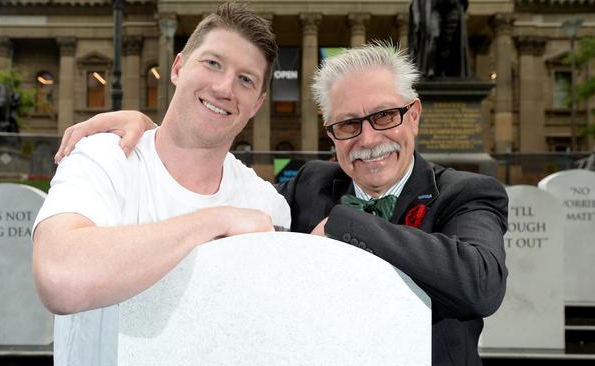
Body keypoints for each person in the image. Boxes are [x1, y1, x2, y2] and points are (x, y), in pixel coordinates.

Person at [56, 41, 508, 366]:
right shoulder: (311, 185)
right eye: (347, 124)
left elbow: (481, 283)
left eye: (385, 116)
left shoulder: (466, 193)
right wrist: (151, 134)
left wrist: (348, 226)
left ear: (414, 115)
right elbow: (217, 201)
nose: (368, 139)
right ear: (330, 133)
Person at [32, 3, 290, 366]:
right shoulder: (107, 156)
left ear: (257, 104)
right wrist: (215, 221)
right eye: (212, 63)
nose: (223, 87)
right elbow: (59, 276)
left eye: (245, 80)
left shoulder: (266, 205)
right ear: (178, 67)